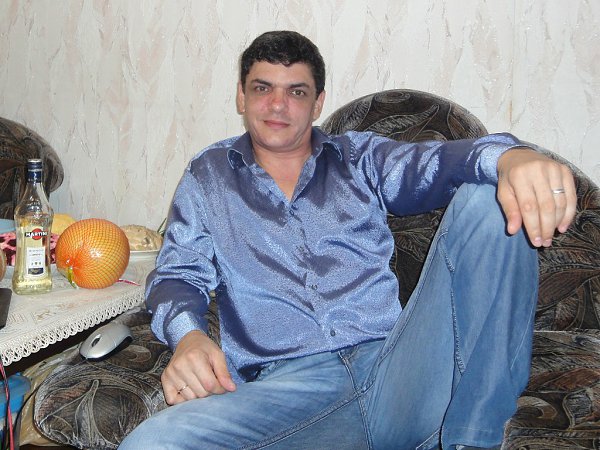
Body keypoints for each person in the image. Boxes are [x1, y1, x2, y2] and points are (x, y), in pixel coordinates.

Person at [119, 31, 576, 449]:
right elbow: (178, 274)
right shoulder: (208, 176)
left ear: (318, 103)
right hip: (288, 395)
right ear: (241, 95)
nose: (277, 105)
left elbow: (441, 163)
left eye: (296, 92)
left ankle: (473, 440)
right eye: (262, 88)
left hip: (400, 372)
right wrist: (188, 338)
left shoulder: (359, 159)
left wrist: (511, 157)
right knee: (152, 444)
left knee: (489, 198)